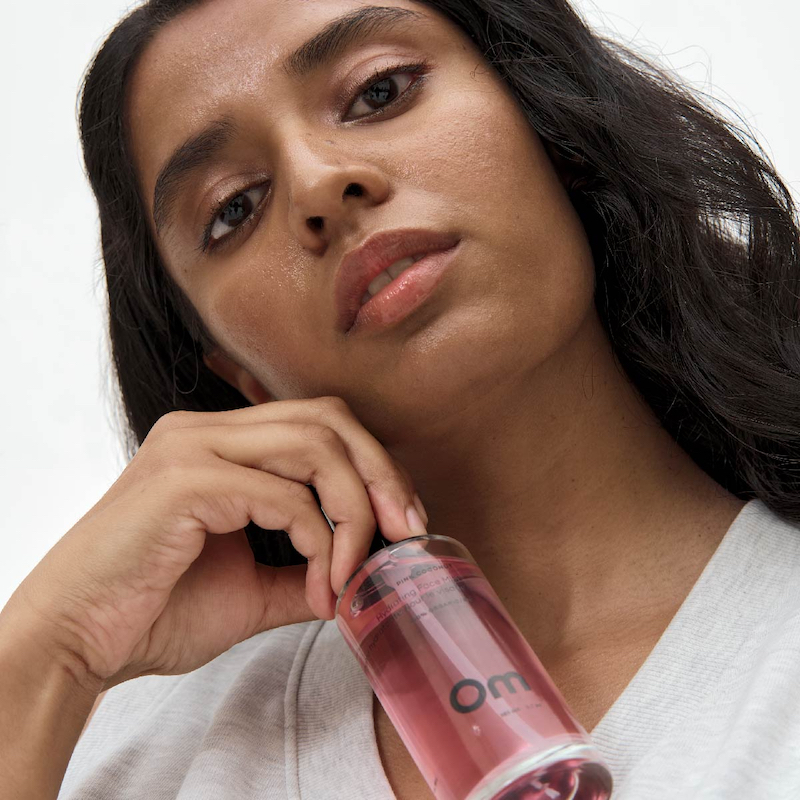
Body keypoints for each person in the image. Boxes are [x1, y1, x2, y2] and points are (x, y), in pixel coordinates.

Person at [1, 0, 798, 797]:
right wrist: (44, 654)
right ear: (240, 374)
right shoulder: (131, 748)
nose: (319, 183)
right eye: (233, 207)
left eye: (379, 92)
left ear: (554, 126)